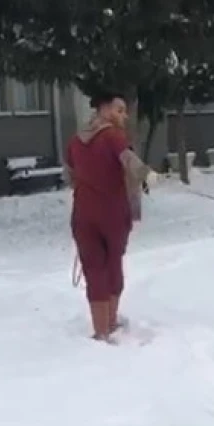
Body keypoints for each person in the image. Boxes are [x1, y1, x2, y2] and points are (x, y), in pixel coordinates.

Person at [63, 90, 157, 342]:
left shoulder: (75, 141)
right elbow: (129, 160)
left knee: (94, 269)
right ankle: (111, 321)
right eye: (119, 110)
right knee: (113, 266)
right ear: (103, 110)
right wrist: (146, 174)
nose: (124, 116)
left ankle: (100, 330)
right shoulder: (113, 137)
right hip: (113, 215)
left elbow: (69, 174)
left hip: (83, 216)